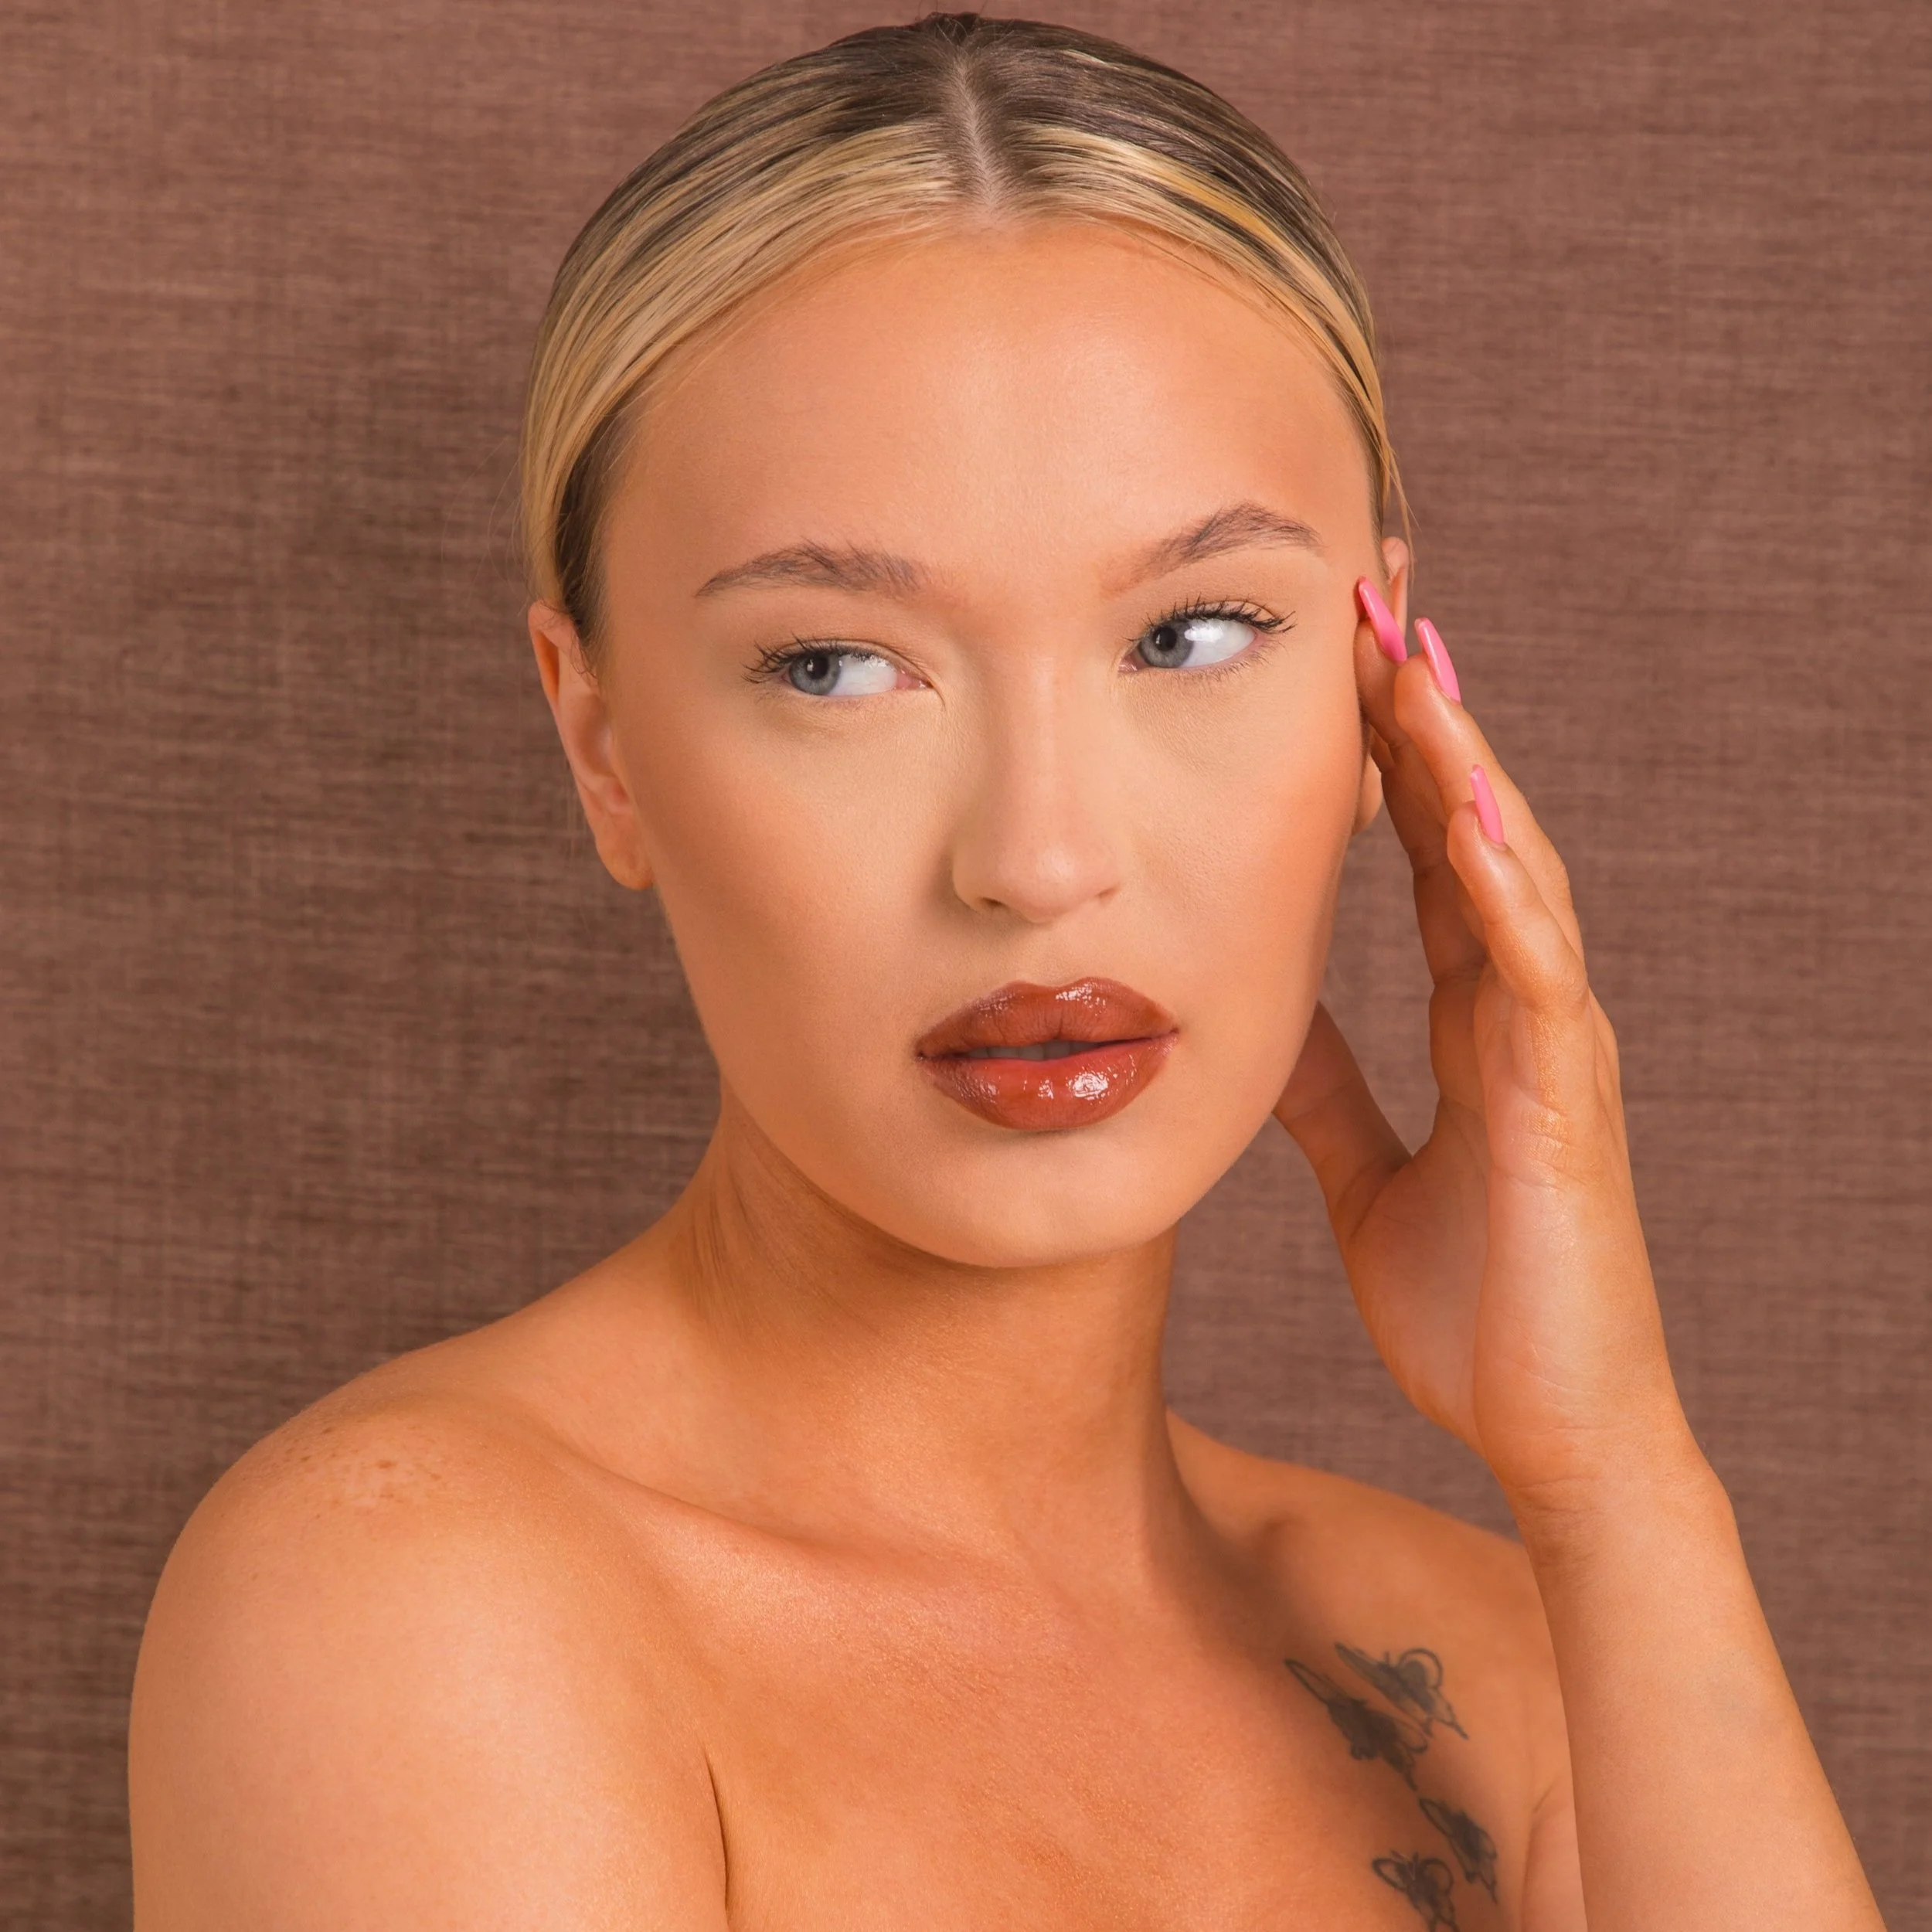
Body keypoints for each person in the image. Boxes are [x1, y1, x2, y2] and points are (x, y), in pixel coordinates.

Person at [127, 14, 1885, 1928]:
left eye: (1196, 631)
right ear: (600, 742)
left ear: (1383, 688)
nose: (1038, 858)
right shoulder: (419, 1594)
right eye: (835, 664)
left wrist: (1614, 1471)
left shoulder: (1518, 1665)